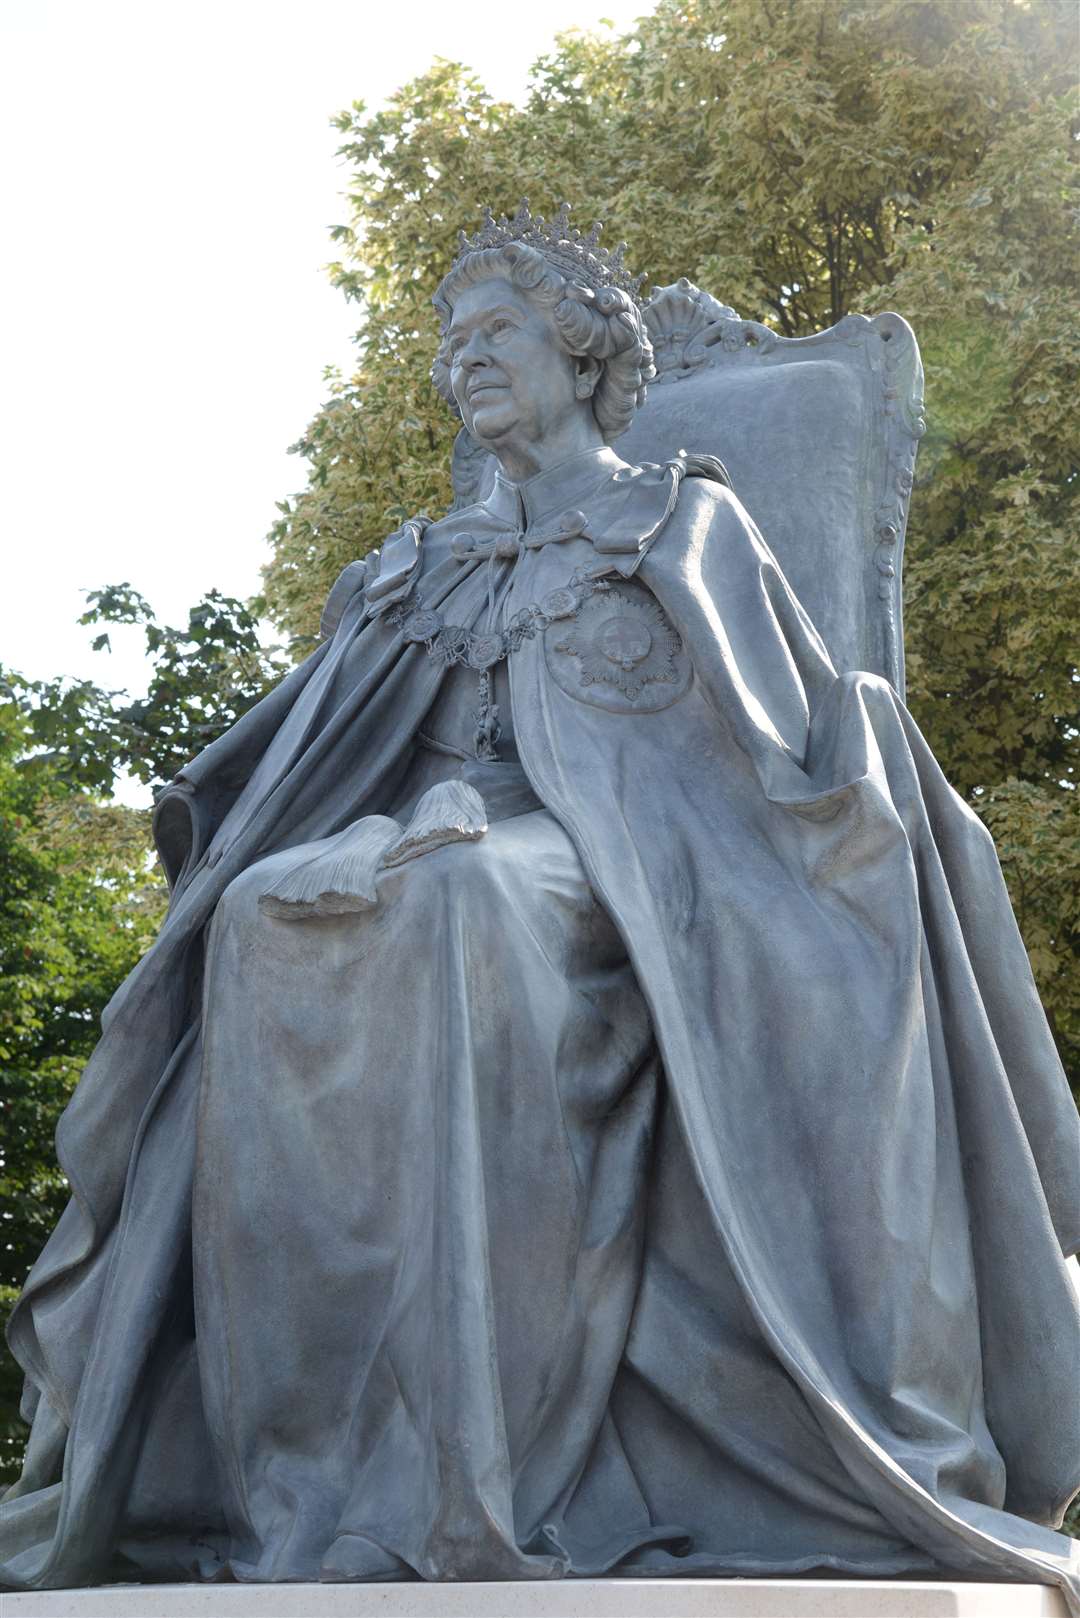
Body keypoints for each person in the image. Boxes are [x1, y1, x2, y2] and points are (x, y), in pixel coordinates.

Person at [2, 204, 1078, 1608]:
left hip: (642, 878)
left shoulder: (683, 521)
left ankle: (480, 1465)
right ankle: (322, 1480)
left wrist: (495, 824)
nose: (466, 359)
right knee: (261, 912)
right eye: (451, 341)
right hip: (418, 849)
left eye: (498, 329)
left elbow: (771, 754)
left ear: (581, 357)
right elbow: (309, 762)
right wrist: (362, 828)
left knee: (467, 902)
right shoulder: (413, 568)